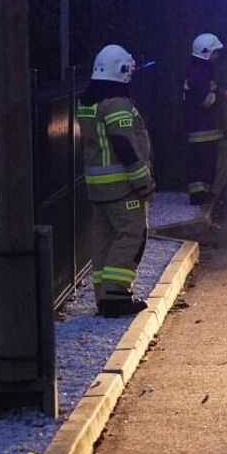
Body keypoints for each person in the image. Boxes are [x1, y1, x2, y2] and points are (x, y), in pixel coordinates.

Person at [77, 45, 154, 317]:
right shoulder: (117, 104)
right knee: (133, 233)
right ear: (122, 71)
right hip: (121, 186)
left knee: (104, 239)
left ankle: (103, 295)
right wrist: (144, 183)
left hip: (97, 187)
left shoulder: (87, 103)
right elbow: (125, 146)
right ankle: (117, 294)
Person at [183, 33, 225, 205]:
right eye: (215, 52)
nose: (217, 56)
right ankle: (198, 195)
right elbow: (205, 100)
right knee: (201, 163)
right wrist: (219, 96)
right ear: (207, 53)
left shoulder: (201, 70)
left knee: (207, 163)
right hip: (201, 128)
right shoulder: (198, 73)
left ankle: (204, 193)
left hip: (205, 127)